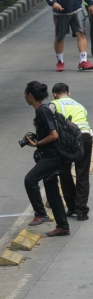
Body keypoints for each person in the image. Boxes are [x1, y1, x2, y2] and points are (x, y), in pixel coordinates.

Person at [22, 81, 70, 236]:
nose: (25, 97)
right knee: (52, 193)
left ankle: (40, 213)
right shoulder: (41, 111)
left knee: (30, 180)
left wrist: (37, 144)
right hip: (50, 155)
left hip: (52, 156)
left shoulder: (43, 111)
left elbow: (54, 135)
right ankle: (63, 226)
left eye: (25, 94)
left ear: (30, 95)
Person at [49, 83, 91, 221]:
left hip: (67, 140)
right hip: (85, 137)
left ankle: (72, 207)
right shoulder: (80, 105)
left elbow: (50, 124)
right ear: (69, 93)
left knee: (64, 172)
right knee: (82, 174)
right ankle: (82, 211)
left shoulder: (54, 104)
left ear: (55, 94)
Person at [47, 0, 93, 71]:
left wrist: (91, 4)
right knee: (60, 37)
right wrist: (53, 3)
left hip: (77, 9)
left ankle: (83, 61)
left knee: (81, 34)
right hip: (60, 11)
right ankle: (60, 62)